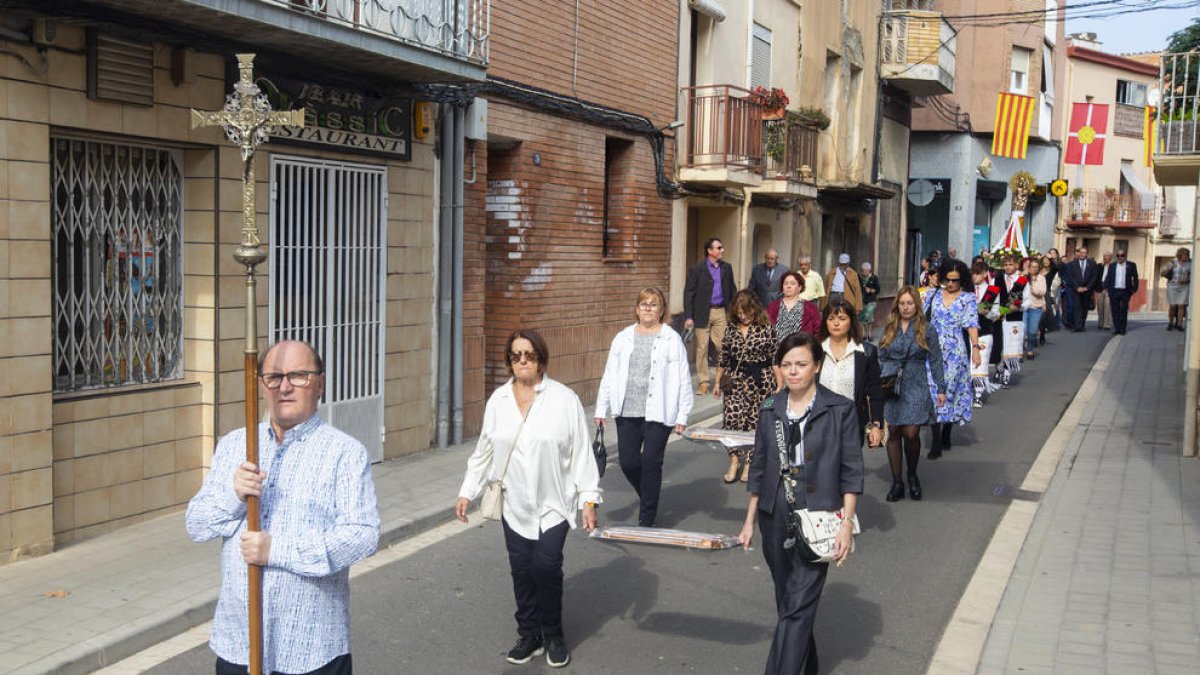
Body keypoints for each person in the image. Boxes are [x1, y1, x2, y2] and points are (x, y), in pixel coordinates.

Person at [186, 340, 380, 675]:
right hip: (239, 643)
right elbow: (197, 524)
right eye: (274, 377)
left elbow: (362, 535)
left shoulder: (345, 453)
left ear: (319, 383)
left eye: (299, 376)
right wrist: (233, 495)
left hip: (311, 648)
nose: (285, 387)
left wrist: (278, 550)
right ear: (261, 385)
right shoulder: (235, 444)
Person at [455, 329, 601, 669]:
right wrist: (466, 492)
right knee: (522, 571)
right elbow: (483, 453)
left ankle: (553, 633)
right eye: (515, 355)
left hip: (554, 503)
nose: (522, 361)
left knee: (546, 567)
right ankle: (529, 634)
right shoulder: (499, 401)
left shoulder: (563, 399)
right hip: (515, 504)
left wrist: (589, 499)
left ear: (541, 358)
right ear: (509, 360)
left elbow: (581, 452)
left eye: (529, 355)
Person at [736, 331, 864, 675]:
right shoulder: (770, 408)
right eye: (787, 365)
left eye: (801, 364)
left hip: (820, 516)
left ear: (816, 366)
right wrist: (749, 520)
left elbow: (851, 471)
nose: (793, 371)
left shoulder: (841, 409)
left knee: (796, 608)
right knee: (787, 603)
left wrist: (846, 525)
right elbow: (759, 468)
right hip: (775, 516)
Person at [594, 287, 693, 527]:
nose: (648, 308)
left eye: (654, 304)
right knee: (628, 462)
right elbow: (610, 374)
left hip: (659, 410)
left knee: (651, 460)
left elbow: (683, 377)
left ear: (661, 310)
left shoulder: (671, 338)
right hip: (627, 409)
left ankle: (647, 516)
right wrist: (600, 408)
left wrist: (683, 413)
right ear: (637, 309)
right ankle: (649, 495)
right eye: (644, 304)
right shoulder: (623, 337)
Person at [878, 287, 946, 502]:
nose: (906, 307)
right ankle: (897, 482)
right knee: (895, 432)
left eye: (910, 303)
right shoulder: (890, 327)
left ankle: (912, 474)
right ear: (897, 305)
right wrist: (879, 381)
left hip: (916, 381)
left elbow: (935, 359)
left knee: (912, 433)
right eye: (902, 303)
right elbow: (880, 355)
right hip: (892, 382)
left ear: (916, 304)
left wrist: (941, 387)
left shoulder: (927, 328)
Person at [714, 290, 780, 484]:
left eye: (747, 312)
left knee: (755, 423)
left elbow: (775, 358)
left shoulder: (767, 329)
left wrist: (780, 384)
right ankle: (734, 460)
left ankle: (750, 463)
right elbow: (723, 358)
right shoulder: (731, 329)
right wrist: (717, 382)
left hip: (761, 381)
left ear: (755, 309)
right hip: (735, 380)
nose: (743, 316)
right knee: (731, 422)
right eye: (739, 313)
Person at [922, 260, 981, 459]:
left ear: (961, 280)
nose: (950, 284)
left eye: (955, 281)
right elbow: (919, 319)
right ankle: (936, 439)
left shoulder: (968, 299)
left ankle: (946, 430)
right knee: (933, 391)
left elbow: (972, 324)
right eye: (947, 279)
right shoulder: (932, 295)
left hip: (955, 351)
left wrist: (976, 349)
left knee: (950, 391)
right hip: (932, 350)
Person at [818, 299, 884, 448]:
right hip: (818, 424)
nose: (836, 323)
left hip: (852, 425)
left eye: (842, 318)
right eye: (831, 318)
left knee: (849, 470)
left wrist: (876, 425)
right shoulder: (815, 351)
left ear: (851, 321)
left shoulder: (866, 352)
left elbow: (875, 390)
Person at [683, 238, 737, 394]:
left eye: (722, 247)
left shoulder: (727, 268)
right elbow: (689, 293)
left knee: (722, 346)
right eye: (719, 248)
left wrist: (736, 311)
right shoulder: (697, 269)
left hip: (721, 312)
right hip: (701, 313)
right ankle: (704, 381)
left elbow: (732, 290)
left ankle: (723, 378)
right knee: (702, 348)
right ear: (710, 251)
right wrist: (688, 316)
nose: (722, 250)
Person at [767, 271, 821, 342]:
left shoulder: (811, 308)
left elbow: (817, 330)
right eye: (786, 283)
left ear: (799, 287)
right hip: (776, 350)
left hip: (802, 349)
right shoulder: (772, 307)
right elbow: (765, 328)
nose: (788, 286)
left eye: (793, 283)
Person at [1060, 245, 1100, 332]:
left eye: (1084, 252)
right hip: (1076, 289)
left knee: (1084, 308)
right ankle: (1077, 326)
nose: (1082, 254)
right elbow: (1071, 276)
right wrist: (1077, 287)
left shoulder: (1092, 263)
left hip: (1087, 290)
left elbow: (1094, 277)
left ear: (1086, 253)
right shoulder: (1073, 263)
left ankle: (1082, 324)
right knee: (1077, 307)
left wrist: (1087, 287)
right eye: (1080, 252)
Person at [1102, 250, 1139, 335]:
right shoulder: (1112, 266)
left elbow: (1135, 278)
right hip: (1114, 291)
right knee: (1115, 310)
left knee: (1123, 310)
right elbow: (1108, 277)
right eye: (1118, 255)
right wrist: (1105, 288)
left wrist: (1134, 289)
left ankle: (1123, 329)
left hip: (1125, 291)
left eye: (1122, 255)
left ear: (1125, 256)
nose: (1120, 257)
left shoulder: (1131, 265)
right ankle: (1117, 328)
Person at [1022, 258, 1047, 359]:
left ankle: (1030, 349)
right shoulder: (1023, 276)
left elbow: (1041, 292)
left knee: (1032, 332)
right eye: (1032, 267)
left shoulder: (1041, 278)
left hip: (1036, 308)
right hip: (1023, 307)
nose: (1034, 269)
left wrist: (1031, 284)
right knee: (1022, 331)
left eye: (1036, 267)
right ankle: (1019, 352)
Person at [1164, 247, 1191, 331]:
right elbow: (1163, 272)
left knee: (1181, 305)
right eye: (1184, 254)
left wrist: (1186, 279)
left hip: (1184, 287)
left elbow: (1193, 275)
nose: (1186, 256)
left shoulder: (1190, 263)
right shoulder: (1173, 262)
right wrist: (1166, 270)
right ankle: (1170, 322)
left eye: (1187, 255)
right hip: (1172, 286)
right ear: (1180, 255)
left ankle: (1179, 324)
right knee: (1173, 306)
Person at [859, 262, 881, 332]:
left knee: (869, 317)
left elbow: (878, 289)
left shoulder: (874, 278)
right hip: (862, 300)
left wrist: (871, 290)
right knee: (861, 317)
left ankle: (869, 333)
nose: (863, 272)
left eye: (865, 271)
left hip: (871, 300)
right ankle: (863, 334)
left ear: (869, 271)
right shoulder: (860, 278)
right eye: (862, 270)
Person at [1095, 252, 1113, 331]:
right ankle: (1100, 323)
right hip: (1100, 288)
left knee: (1107, 306)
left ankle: (1107, 324)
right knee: (1100, 306)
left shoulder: (1113, 267)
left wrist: (1108, 289)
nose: (1106, 258)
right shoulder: (1099, 266)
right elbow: (1096, 277)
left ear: (1110, 258)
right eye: (1104, 257)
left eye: (1107, 257)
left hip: (1109, 289)